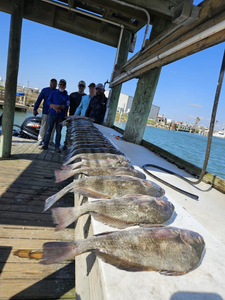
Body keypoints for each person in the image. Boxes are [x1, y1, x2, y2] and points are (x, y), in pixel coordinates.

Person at [40, 79, 70, 153]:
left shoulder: (67, 96)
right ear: (58, 85)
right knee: (48, 129)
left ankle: (57, 146)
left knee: (59, 132)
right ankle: (45, 144)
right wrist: (54, 107)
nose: (61, 86)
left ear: (65, 86)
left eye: (63, 85)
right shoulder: (53, 92)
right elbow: (48, 101)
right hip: (52, 114)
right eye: (60, 84)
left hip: (61, 116)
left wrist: (58, 106)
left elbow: (66, 106)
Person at [33, 78, 57, 145]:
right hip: (45, 111)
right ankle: (40, 139)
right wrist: (35, 109)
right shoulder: (44, 90)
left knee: (53, 126)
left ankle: (50, 141)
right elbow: (39, 100)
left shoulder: (57, 92)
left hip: (54, 112)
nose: (53, 83)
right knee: (44, 125)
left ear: (56, 84)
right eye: (52, 82)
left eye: (55, 82)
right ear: (50, 83)